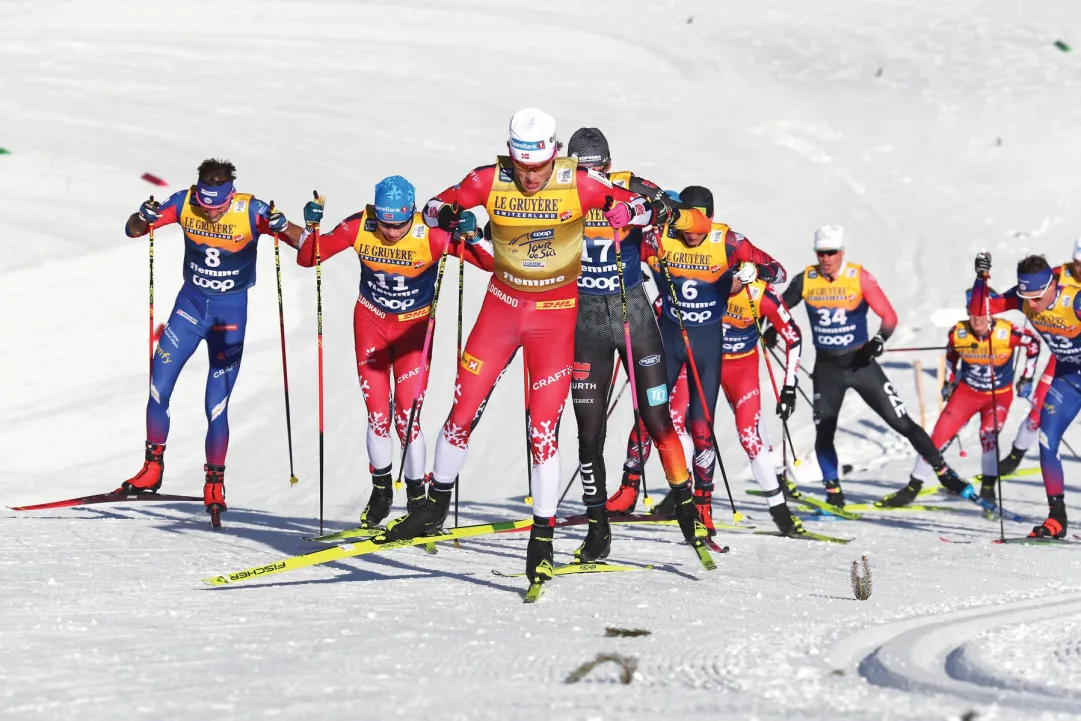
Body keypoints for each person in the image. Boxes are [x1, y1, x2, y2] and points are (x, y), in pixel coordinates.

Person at [385, 108, 688, 586]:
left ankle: (542, 538)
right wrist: (450, 215)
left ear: (552, 156)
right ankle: (433, 508)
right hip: (502, 308)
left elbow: (656, 208)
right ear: (511, 156)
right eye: (522, 167)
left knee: (543, 429)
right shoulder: (489, 179)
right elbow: (431, 208)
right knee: (462, 410)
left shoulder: (579, 183)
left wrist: (630, 211)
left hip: (555, 315)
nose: (530, 178)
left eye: (539, 167)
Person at [294, 177, 491, 527]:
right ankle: (381, 490)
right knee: (377, 417)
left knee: (407, 417)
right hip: (371, 324)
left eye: (399, 224)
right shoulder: (360, 226)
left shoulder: (430, 234)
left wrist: (471, 234)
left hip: (413, 331)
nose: (390, 231)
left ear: (411, 215)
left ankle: (417, 498)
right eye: (385, 223)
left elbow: (487, 264)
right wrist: (311, 226)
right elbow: (311, 258)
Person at [119, 159, 303, 523]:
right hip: (189, 308)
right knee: (158, 386)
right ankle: (152, 468)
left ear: (230, 195)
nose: (213, 214)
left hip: (228, 317)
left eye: (218, 207)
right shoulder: (185, 202)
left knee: (215, 405)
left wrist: (285, 226)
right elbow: (134, 230)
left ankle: (214, 484)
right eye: (207, 207)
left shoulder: (251, 208)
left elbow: (306, 246)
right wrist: (142, 215)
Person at [563, 128, 712, 561]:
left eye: (598, 171)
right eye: (581, 171)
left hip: (634, 318)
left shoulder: (630, 186)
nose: (591, 180)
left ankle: (688, 517)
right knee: (589, 434)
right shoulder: (557, 191)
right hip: (586, 323)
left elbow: (694, 221)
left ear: (609, 166)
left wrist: (654, 211)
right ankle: (597, 530)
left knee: (657, 419)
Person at [771, 225, 973, 508]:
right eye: (820, 253)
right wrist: (771, 327)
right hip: (827, 369)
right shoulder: (806, 279)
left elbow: (889, 316)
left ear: (841, 252)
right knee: (824, 431)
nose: (825, 259)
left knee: (901, 422)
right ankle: (833, 492)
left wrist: (879, 340)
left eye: (830, 253)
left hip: (860, 363)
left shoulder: (859, 277)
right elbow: (777, 307)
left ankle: (943, 472)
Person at [639, 185, 788, 532]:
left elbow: (779, 272)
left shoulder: (730, 242)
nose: (692, 232)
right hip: (675, 340)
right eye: (686, 222)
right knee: (657, 417)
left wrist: (758, 272)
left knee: (702, 427)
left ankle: (706, 506)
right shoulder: (661, 237)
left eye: (700, 222)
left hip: (710, 347)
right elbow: (620, 248)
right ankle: (659, 493)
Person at [626, 272, 804, 533]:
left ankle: (780, 510)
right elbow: (660, 311)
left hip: (739, 367)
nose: (733, 284)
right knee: (675, 421)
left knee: (749, 437)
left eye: (738, 277)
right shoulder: (697, 283)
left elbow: (794, 337)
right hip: (699, 361)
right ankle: (681, 495)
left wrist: (789, 386)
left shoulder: (760, 294)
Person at [881, 288, 1039, 507]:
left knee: (988, 436)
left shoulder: (1008, 332)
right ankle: (912, 487)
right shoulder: (958, 333)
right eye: (972, 313)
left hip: (998, 397)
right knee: (936, 440)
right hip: (967, 393)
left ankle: (988, 489)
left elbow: (1034, 344)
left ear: (992, 311)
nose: (978, 320)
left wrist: (1027, 377)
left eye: (983, 312)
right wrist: (948, 381)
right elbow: (950, 356)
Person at [969, 252, 1081, 538]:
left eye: (1036, 298)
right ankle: (1057, 518)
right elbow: (982, 308)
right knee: (1046, 440)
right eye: (1025, 297)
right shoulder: (1024, 298)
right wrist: (981, 278)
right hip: (1068, 378)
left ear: (1051, 286)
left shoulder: (1075, 301)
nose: (1031, 305)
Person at [997, 239, 1081, 475]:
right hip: (1061, 357)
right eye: (1077, 263)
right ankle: (1015, 455)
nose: (1080, 269)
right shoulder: (1057, 274)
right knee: (1038, 409)